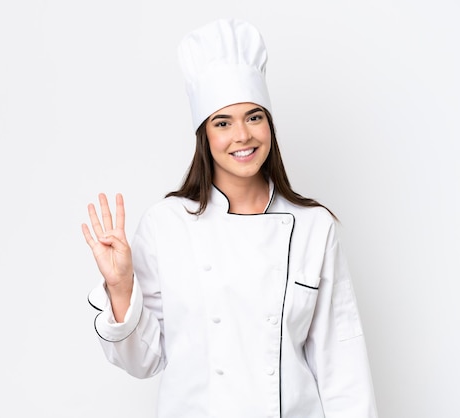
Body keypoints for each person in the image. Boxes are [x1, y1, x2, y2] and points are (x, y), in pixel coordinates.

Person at [82, 18, 378, 418]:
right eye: (223, 123)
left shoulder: (313, 227)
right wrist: (120, 288)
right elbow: (143, 361)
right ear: (205, 135)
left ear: (269, 125)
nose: (242, 135)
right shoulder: (166, 224)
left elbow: (343, 367)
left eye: (254, 117)